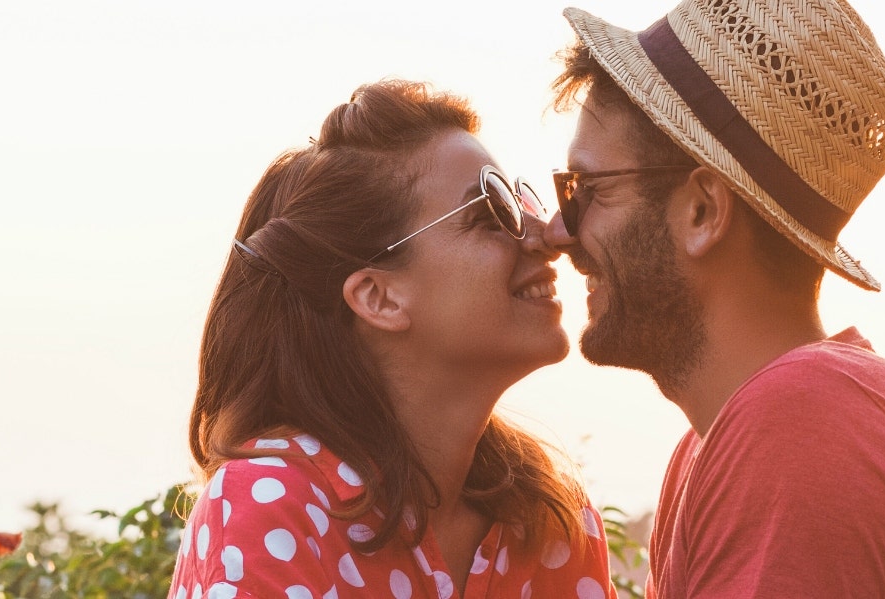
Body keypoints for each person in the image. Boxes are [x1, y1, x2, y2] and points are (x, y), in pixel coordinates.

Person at [543, 0, 885, 596]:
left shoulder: (797, 424)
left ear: (702, 212)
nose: (559, 228)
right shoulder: (736, 438)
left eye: (586, 189)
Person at [168, 80, 617, 599]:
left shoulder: (551, 520)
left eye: (519, 199)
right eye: (490, 211)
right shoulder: (273, 506)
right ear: (379, 298)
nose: (544, 234)